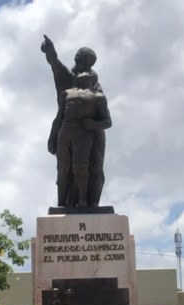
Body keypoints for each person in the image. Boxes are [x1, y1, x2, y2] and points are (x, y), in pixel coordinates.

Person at [40, 35, 107, 207]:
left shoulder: (94, 81)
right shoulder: (66, 77)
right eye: (85, 63)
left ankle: (91, 204)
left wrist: (95, 124)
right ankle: (67, 203)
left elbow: (103, 110)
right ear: (77, 59)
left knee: (95, 168)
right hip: (68, 128)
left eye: (90, 65)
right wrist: (50, 50)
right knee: (67, 168)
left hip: (94, 130)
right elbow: (54, 62)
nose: (88, 67)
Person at [49, 70, 113, 207]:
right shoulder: (66, 94)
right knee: (62, 167)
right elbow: (59, 117)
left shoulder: (98, 97)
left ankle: (83, 200)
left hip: (84, 131)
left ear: (92, 78)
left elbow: (108, 121)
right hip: (65, 129)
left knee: (80, 165)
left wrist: (94, 124)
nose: (80, 73)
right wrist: (52, 136)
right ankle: (61, 203)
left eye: (85, 72)